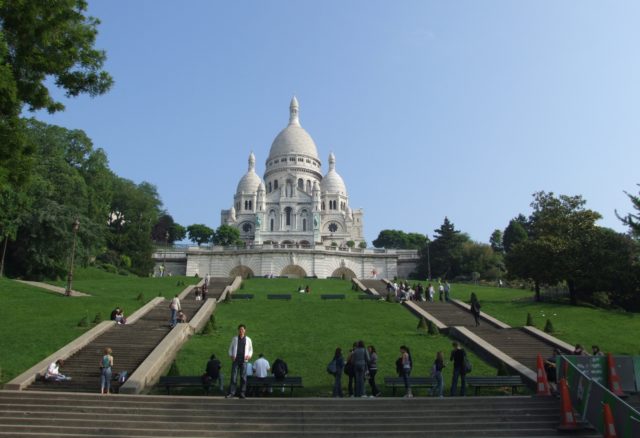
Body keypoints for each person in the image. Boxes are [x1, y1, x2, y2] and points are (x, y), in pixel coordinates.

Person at [227, 324, 253, 399]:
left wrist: (249, 355)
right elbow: (230, 349)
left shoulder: (248, 339)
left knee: (243, 378)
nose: (241, 331)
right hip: (236, 360)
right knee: (234, 377)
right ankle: (232, 393)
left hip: (244, 361)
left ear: (245, 330)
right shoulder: (234, 339)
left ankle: (242, 393)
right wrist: (231, 355)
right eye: (240, 329)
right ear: (238, 330)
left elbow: (251, 350)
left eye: (242, 329)